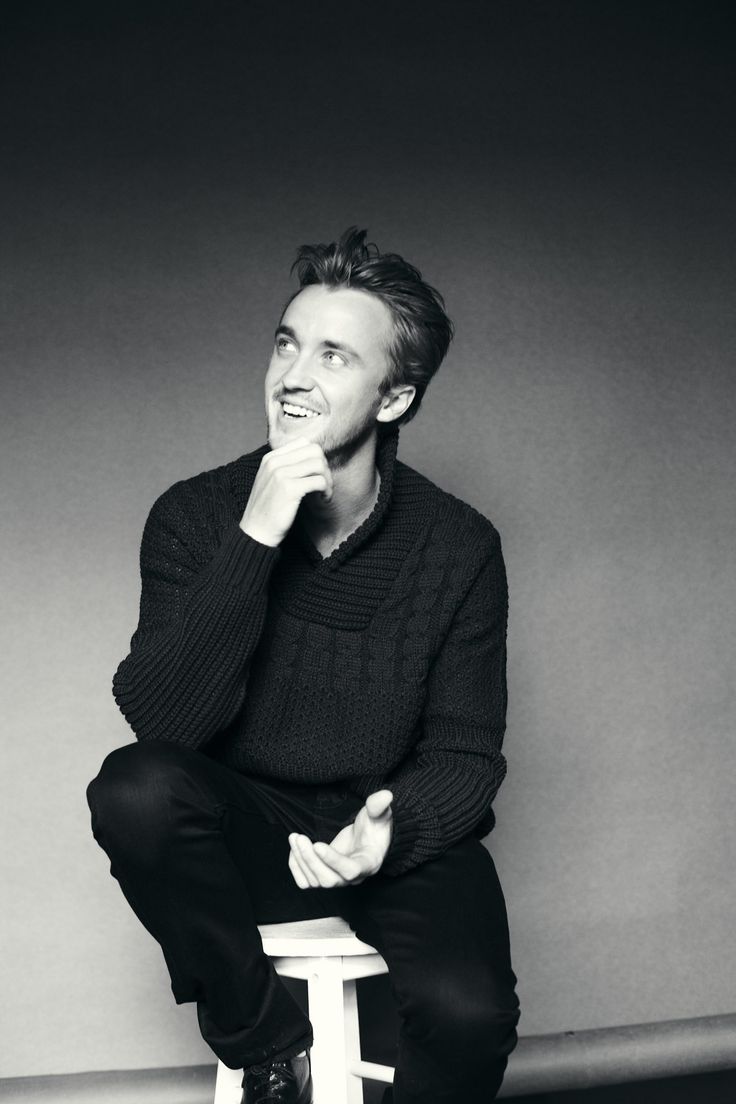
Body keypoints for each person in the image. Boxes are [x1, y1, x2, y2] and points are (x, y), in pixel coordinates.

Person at [85, 226, 520, 1104]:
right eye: (287, 343)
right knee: (133, 788)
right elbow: (165, 724)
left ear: (393, 399)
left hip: (383, 822)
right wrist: (257, 535)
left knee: (470, 1015)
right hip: (253, 830)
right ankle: (271, 1056)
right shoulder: (195, 515)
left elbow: (465, 755)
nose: (293, 376)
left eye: (333, 356)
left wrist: (391, 834)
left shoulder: (459, 545)